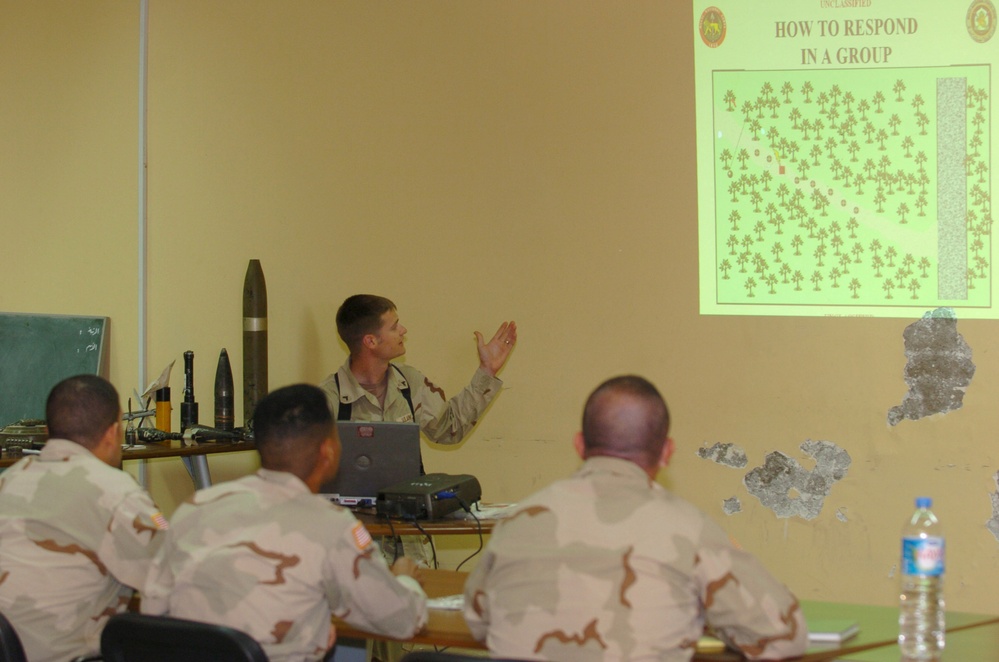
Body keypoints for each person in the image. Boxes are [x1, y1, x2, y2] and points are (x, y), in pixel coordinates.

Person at [463, 375, 808, 661]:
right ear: (667, 452)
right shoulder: (690, 529)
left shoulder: (517, 521)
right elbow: (783, 637)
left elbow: (478, 620)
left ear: (580, 445)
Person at [142, 383, 428, 662]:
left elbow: (152, 611)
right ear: (328, 452)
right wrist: (404, 579)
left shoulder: (196, 508)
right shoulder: (331, 526)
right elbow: (402, 620)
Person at [0, 374, 169, 662]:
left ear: (46, 430)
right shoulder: (116, 492)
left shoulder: (10, 478)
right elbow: (171, 575)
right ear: (114, 433)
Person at [319, 294, 516, 444]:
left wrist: (487, 371)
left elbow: (450, 428)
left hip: (405, 496)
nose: (403, 330)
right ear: (371, 341)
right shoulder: (327, 399)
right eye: (394, 327)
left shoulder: (409, 383)